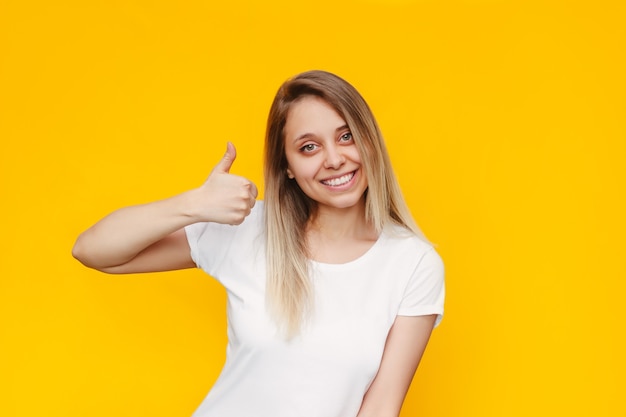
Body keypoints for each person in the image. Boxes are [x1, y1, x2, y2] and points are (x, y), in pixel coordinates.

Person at [73, 70, 445, 417]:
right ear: (286, 166)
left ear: (370, 140)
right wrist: (193, 206)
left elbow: (381, 405)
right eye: (309, 147)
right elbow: (92, 249)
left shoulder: (413, 264)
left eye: (346, 135)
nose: (334, 159)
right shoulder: (247, 228)